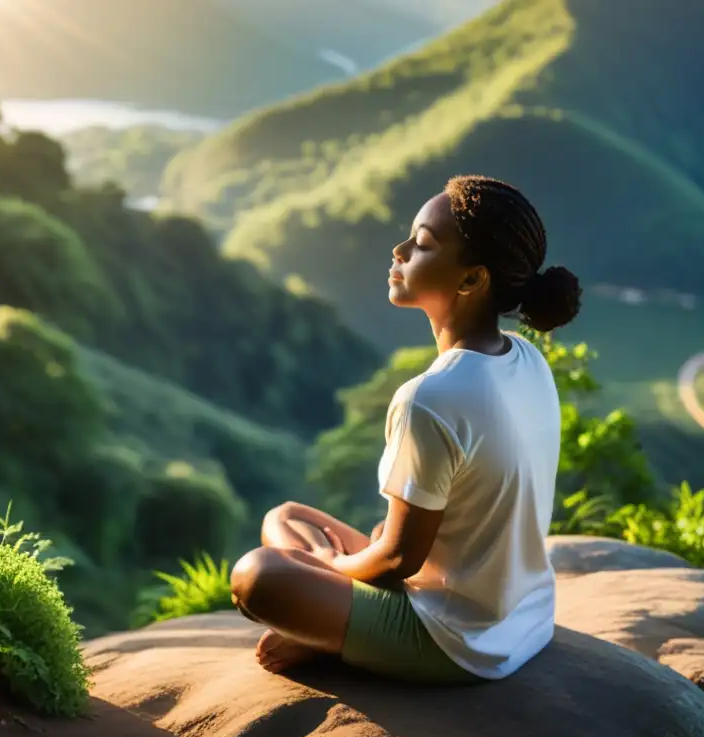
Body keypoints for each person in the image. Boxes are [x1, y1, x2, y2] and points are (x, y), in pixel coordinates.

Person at [229, 175, 583, 684]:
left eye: (420, 245)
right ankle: (337, 629)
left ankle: (330, 640)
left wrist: (331, 563)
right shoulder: (526, 359)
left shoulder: (430, 398)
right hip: (524, 617)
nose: (398, 251)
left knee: (256, 577)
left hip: (456, 639)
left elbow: (396, 558)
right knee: (287, 517)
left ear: (470, 280)